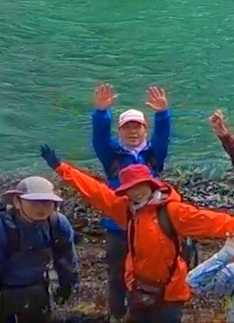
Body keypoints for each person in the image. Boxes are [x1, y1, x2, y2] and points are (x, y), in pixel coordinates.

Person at [43, 143, 234, 322]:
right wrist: (61, 168)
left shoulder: (173, 211)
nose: (135, 193)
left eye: (139, 186)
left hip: (170, 292)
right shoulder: (125, 210)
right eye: (129, 189)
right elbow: (94, 190)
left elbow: (211, 221)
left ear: (151, 184)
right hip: (137, 289)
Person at [90, 82, 173, 319]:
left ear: (145, 130)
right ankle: (117, 316)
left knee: (151, 274)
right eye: (127, 128)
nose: (133, 132)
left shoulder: (154, 155)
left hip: (151, 226)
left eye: (137, 128)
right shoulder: (112, 156)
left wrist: (162, 114)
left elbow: (164, 137)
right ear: (120, 132)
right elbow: (99, 139)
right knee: (116, 276)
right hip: (118, 228)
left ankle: (149, 314)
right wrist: (101, 112)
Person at [0, 175, 79, 323]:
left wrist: (68, 284)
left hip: (38, 291)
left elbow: (67, 258)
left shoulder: (58, 224)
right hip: (2, 294)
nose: (41, 208)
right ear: (17, 202)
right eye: (34, 202)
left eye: (47, 202)